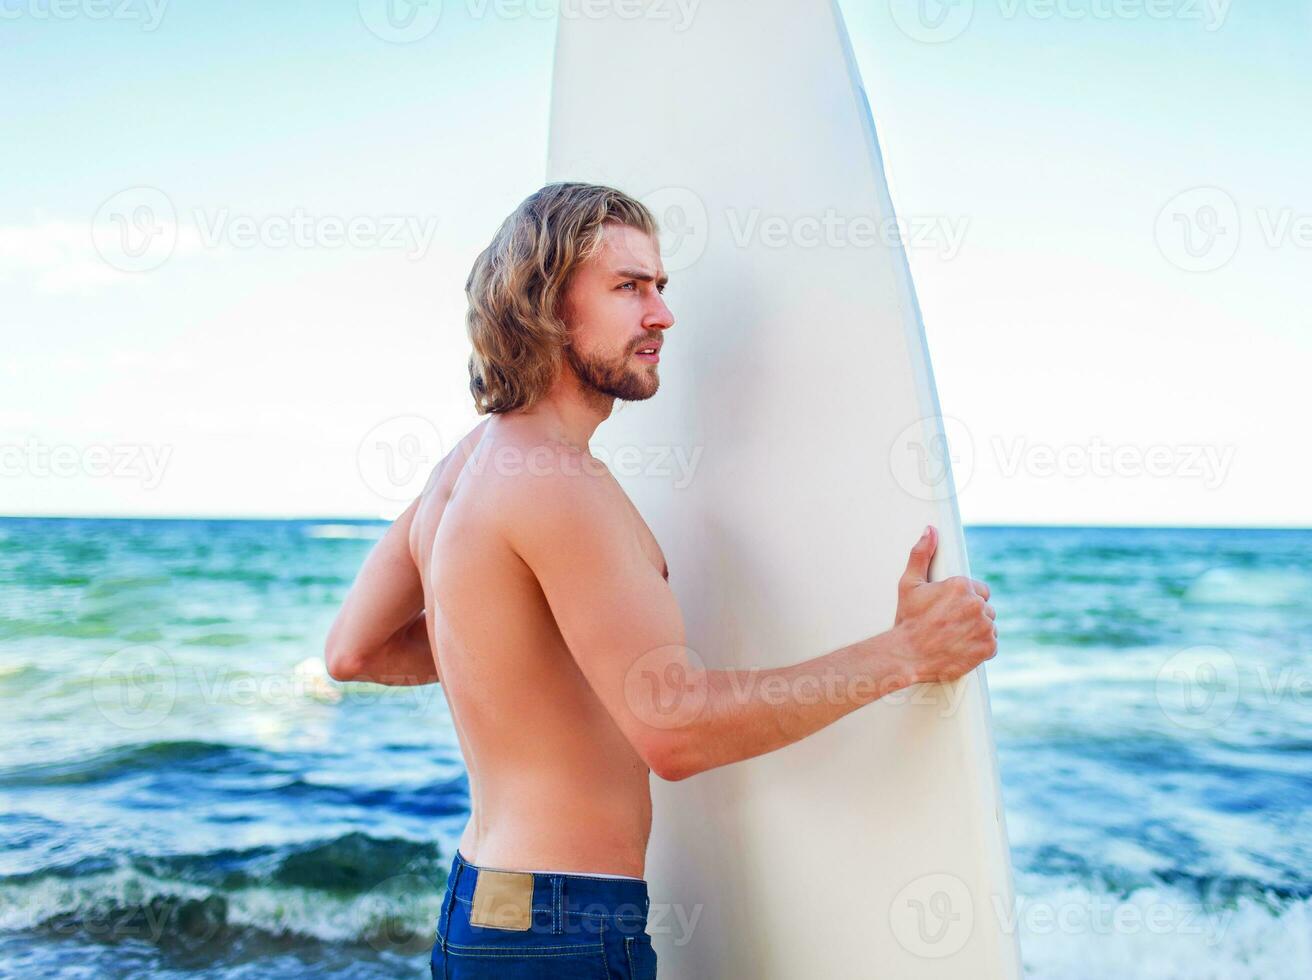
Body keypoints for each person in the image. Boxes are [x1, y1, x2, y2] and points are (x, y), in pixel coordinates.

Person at [323, 182, 999, 978]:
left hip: (485, 907)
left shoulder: (466, 466)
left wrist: (522, 646)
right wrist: (907, 652)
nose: (662, 315)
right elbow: (674, 730)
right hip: (562, 930)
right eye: (628, 287)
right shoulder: (556, 481)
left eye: (660, 287)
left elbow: (353, 652)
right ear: (542, 301)